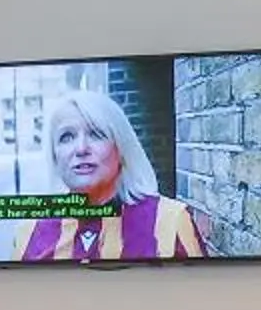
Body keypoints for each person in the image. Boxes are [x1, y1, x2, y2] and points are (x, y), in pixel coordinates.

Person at [13, 85, 210, 263]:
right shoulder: (31, 231)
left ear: (121, 148)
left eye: (96, 134)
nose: (81, 148)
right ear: (55, 156)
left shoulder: (171, 220)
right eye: (67, 137)